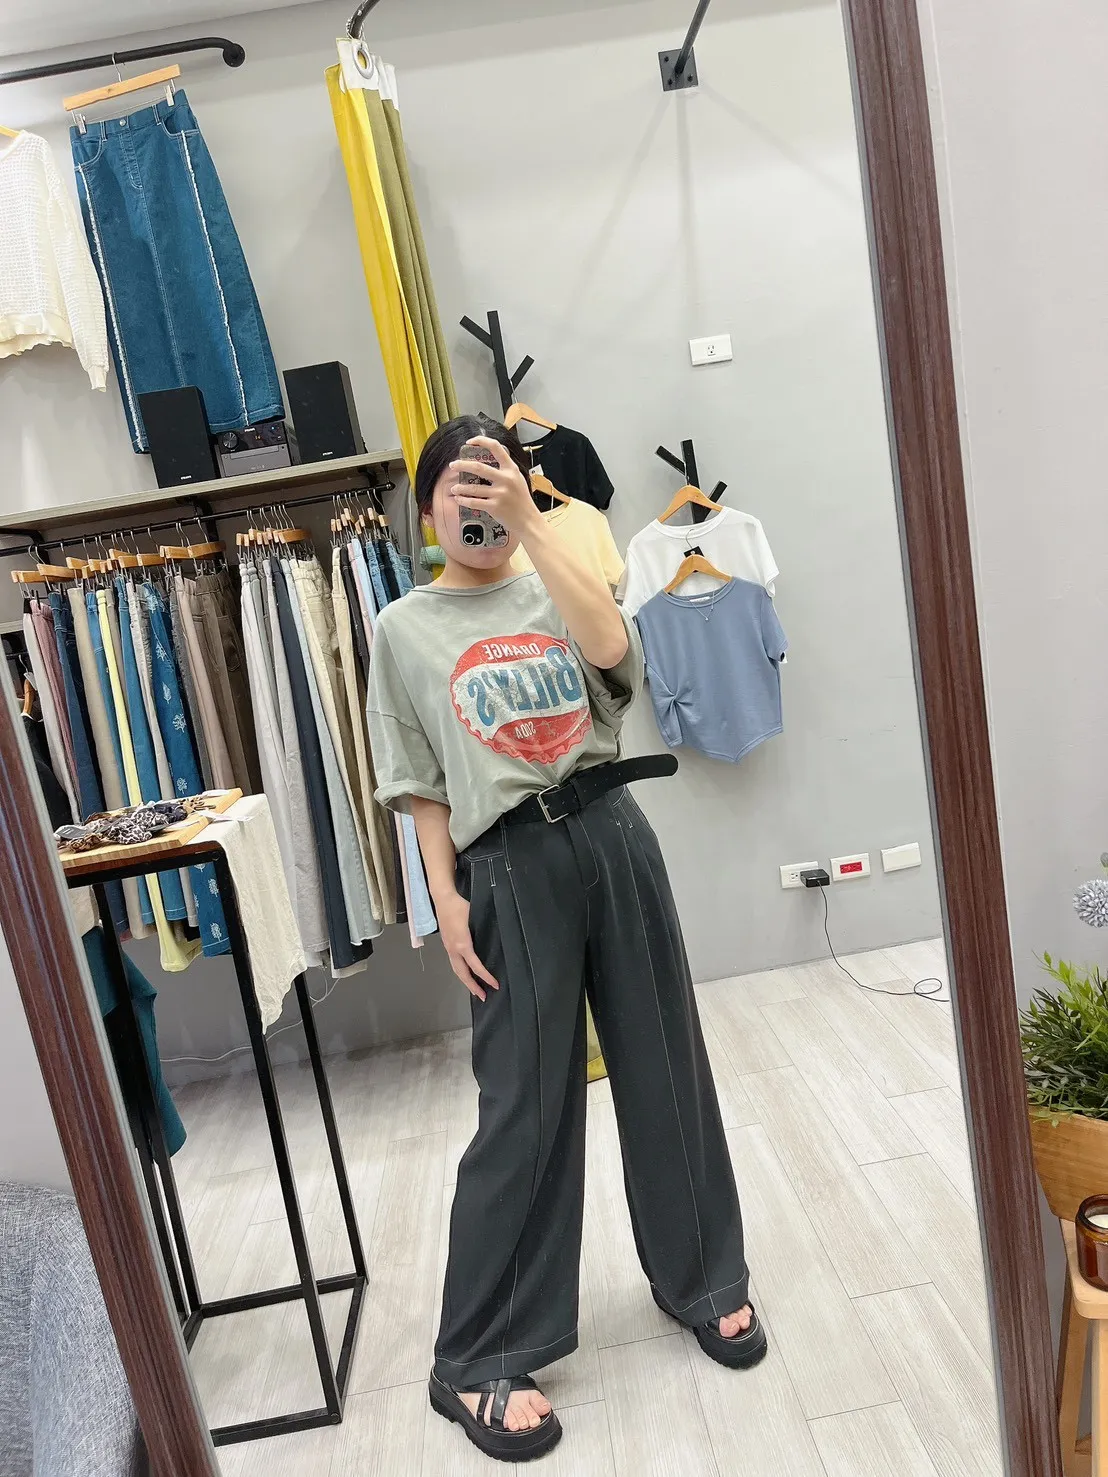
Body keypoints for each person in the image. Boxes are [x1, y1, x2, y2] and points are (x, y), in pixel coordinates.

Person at [366, 414, 764, 1463]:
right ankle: (478, 1351)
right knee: (525, 1103)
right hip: (505, 863)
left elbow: (615, 656)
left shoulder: (559, 577)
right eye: (457, 484)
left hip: (611, 830)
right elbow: (416, 778)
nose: (477, 499)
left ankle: (703, 1276)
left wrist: (537, 526)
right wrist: (444, 896)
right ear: (426, 507)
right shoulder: (403, 626)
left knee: (665, 1063)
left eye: (494, 477)